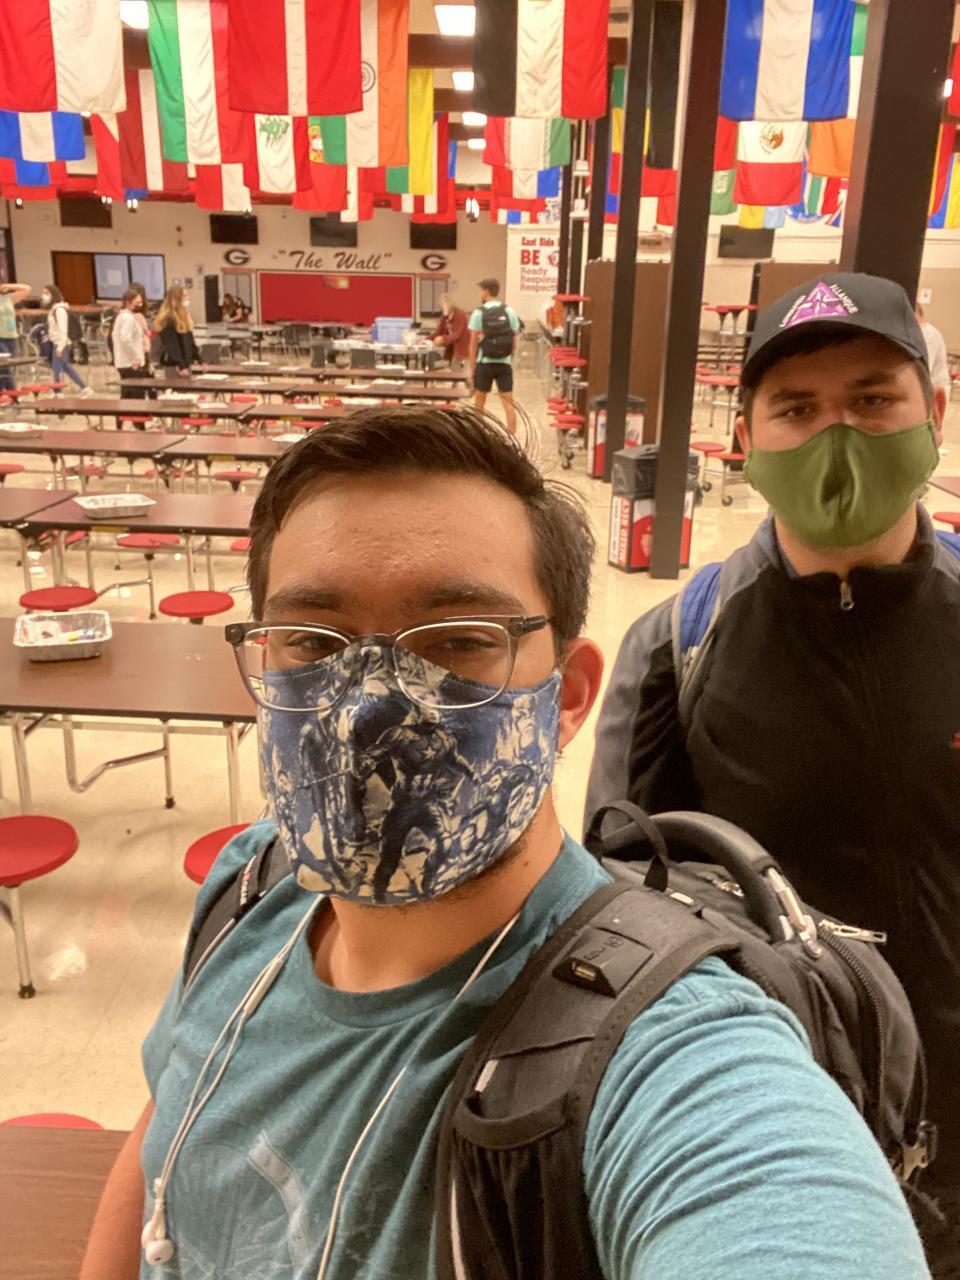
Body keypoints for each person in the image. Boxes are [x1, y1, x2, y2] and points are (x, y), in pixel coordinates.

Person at [79, 403, 930, 1280]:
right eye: (311, 641)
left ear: (569, 696)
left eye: (458, 642)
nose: (369, 707)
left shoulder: (667, 1055)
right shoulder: (254, 888)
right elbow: (169, 1128)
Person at [585, 271, 959, 1277]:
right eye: (797, 409)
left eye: (873, 398)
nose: (837, 434)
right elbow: (618, 909)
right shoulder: (678, 645)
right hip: (779, 1123)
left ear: (935, 406)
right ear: (747, 437)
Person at [468, 277, 520, 434]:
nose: (480, 293)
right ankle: (512, 439)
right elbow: (514, 340)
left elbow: (473, 344)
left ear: (486, 292)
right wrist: (508, 357)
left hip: (484, 362)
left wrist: (472, 368)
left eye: (481, 290)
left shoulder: (479, 313)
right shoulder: (509, 311)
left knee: (479, 404)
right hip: (504, 363)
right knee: (509, 403)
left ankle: (478, 436)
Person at [43, 284, 92, 396]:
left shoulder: (59, 310)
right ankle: (84, 388)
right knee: (66, 367)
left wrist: (60, 346)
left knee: (57, 368)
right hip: (56, 342)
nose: (44, 296)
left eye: (46, 293)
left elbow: (63, 329)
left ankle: (58, 391)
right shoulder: (53, 309)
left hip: (61, 343)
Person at [155, 283, 201, 376]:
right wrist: (181, 366)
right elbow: (172, 346)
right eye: (184, 296)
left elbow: (190, 341)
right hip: (174, 365)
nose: (187, 298)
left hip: (185, 363)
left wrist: (200, 359)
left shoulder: (184, 316)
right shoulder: (168, 318)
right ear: (176, 298)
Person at [112, 288, 148, 403]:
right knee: (136, 399)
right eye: (137, 302)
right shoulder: (128, 318)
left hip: (124, 362)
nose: (140, 305)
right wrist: (135, 358)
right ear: (128, 302)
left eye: (141, 302)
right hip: (131, 364)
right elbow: (125, 339)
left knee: (126, 397)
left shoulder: (120, 317)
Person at [916, 302, 951, 401]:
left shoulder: (929, 334)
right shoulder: (921, 332)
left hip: (934, 392)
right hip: (927, 390)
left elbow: (923, 368)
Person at [0, 277, 29, 392]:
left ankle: (4, 395)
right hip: (0, 338)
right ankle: (13, 395)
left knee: (9, 369)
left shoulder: (9, 298)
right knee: (6, 368)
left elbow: (27, 288)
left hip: (12, 336)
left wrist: (8, 286)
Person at [432, 292, 470, 369]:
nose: (442, 308)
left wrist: (442, 338)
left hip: (462, 349)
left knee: (459, 371)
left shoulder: (460, 315)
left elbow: (457, 335)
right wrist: (427, 339)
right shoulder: (445, 317)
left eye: (444, 305)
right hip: (452, 350)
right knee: (453, 369)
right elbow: (439, 332)